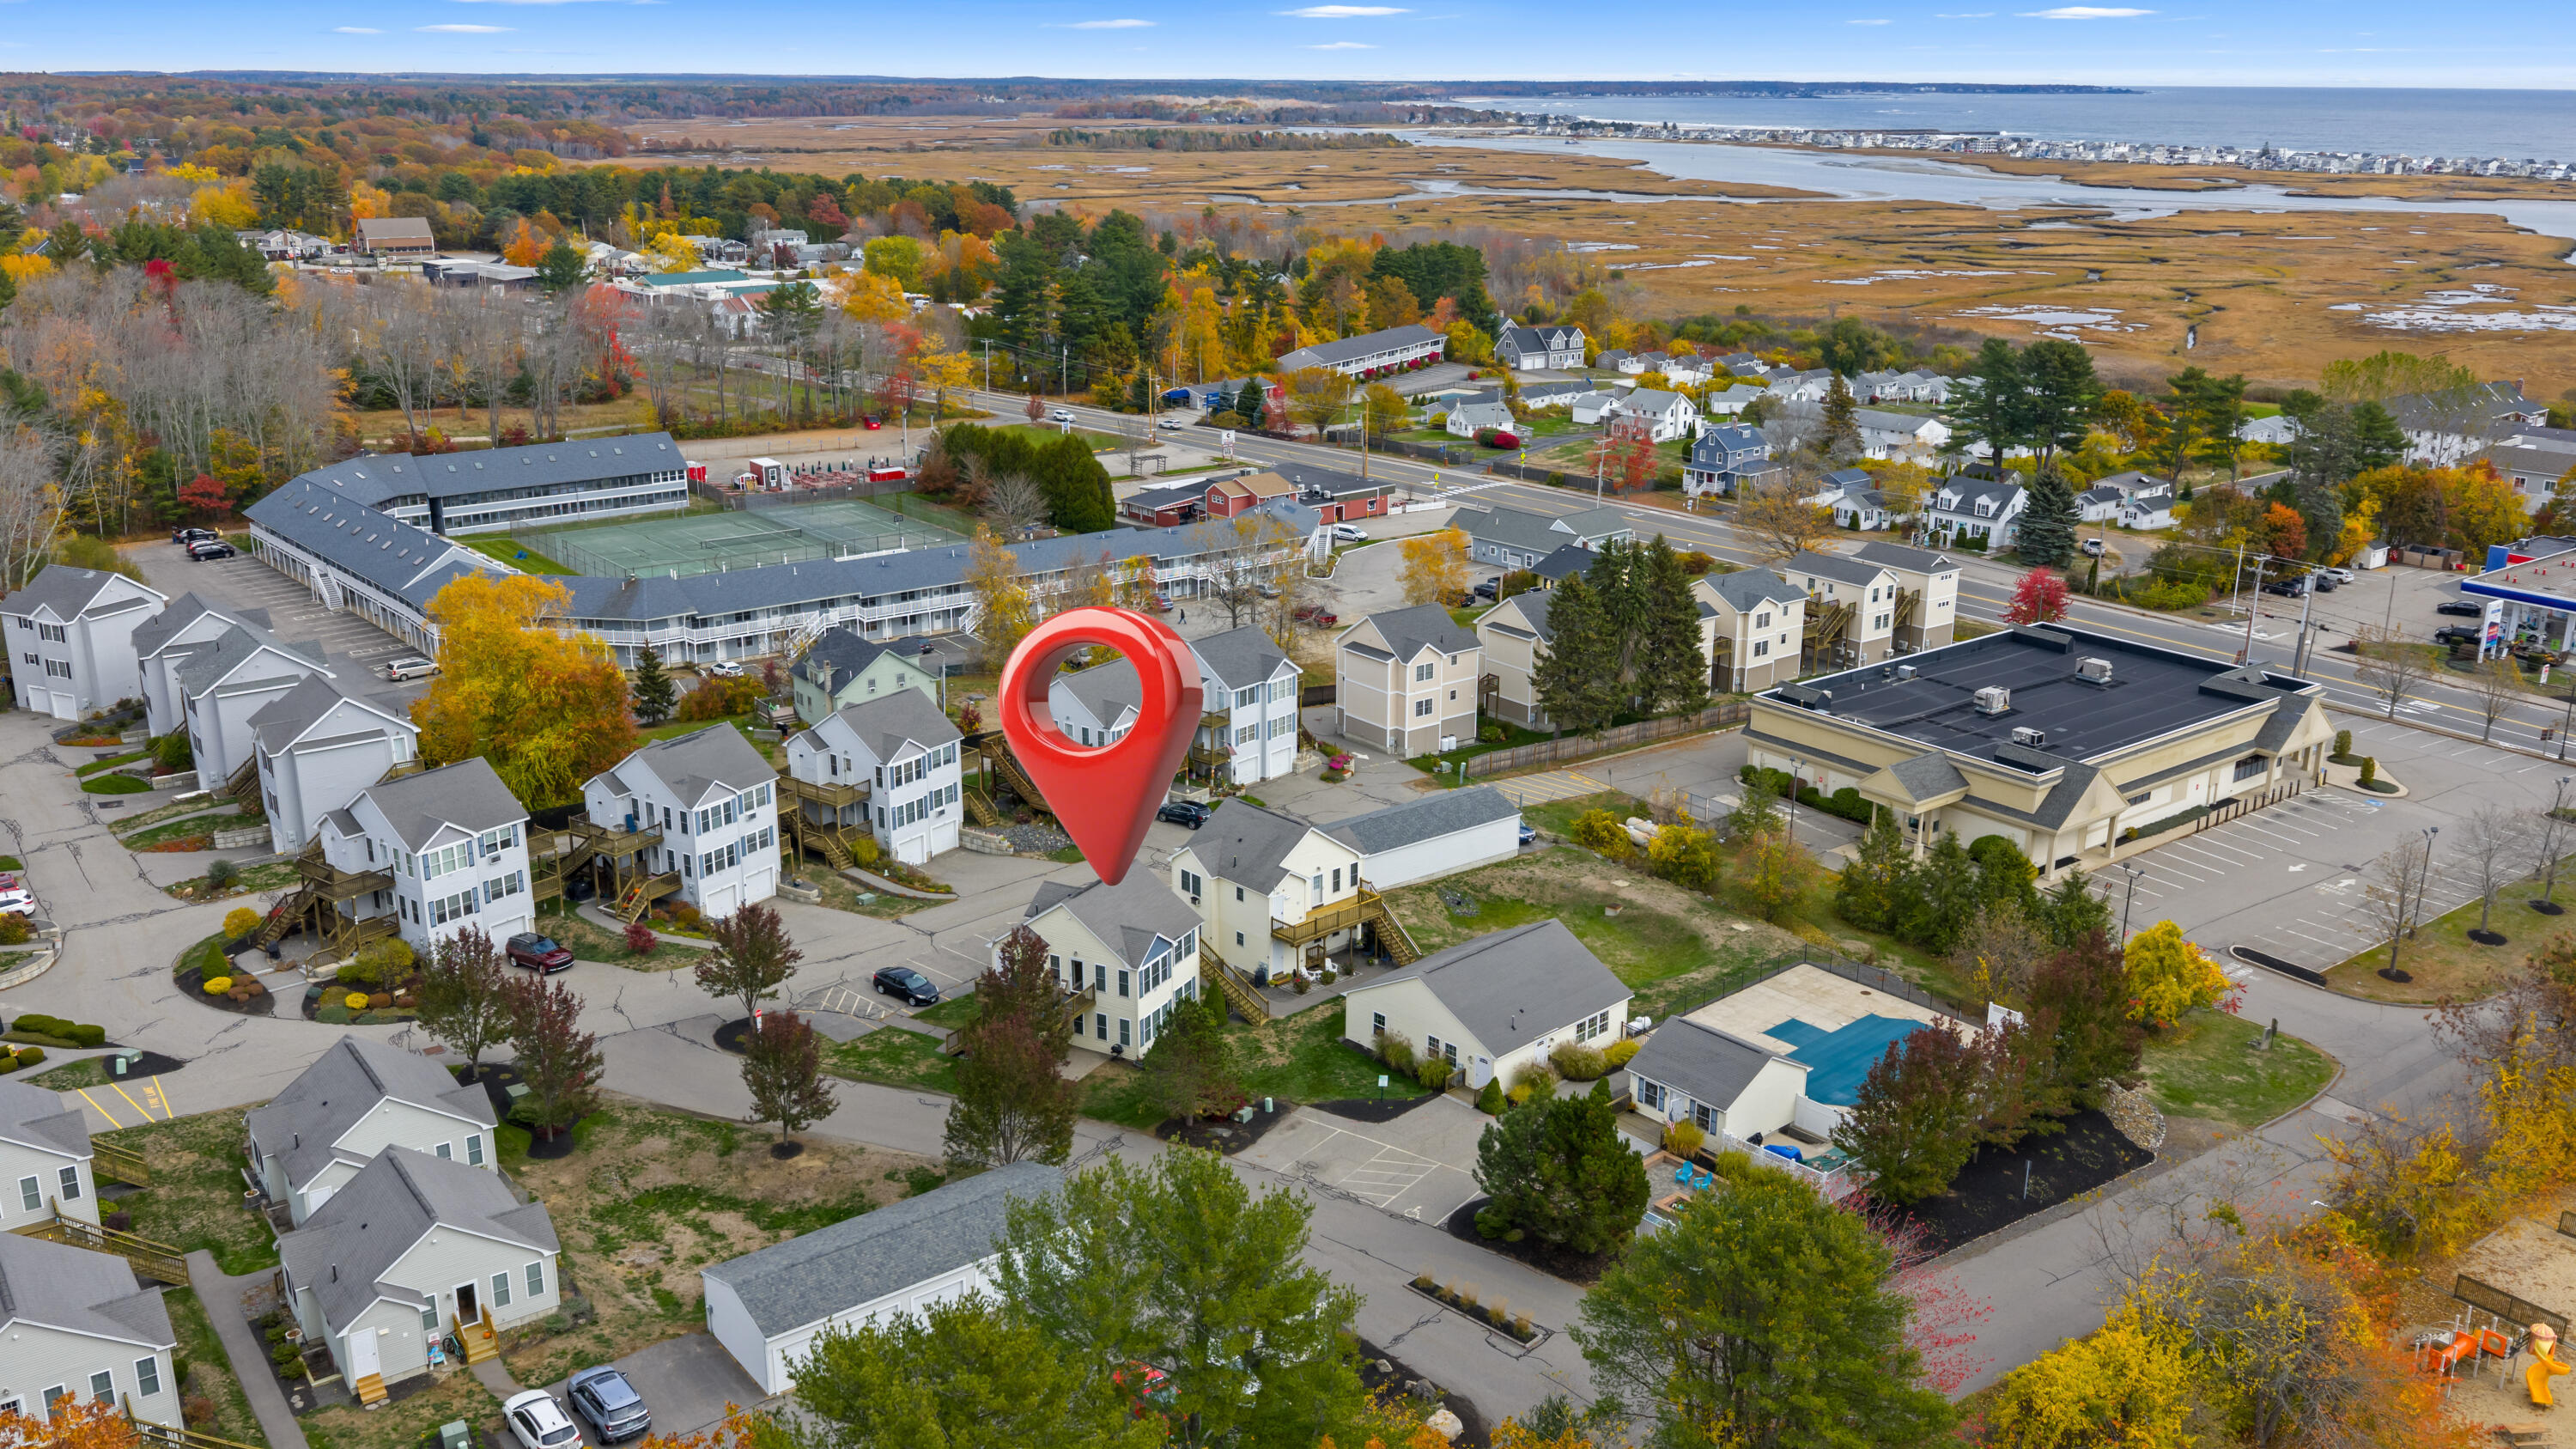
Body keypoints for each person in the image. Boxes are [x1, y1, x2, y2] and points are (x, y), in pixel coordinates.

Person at [2530, 1324, 2572, 1408]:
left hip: (2545, 1360)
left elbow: (2549, 1364)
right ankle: (2541, 1400)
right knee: (2545, 1370)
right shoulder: (2538, 1368)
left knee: (2546, 1370)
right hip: (2544, 1360)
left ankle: (2542, 1400)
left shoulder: (2544, 1361)